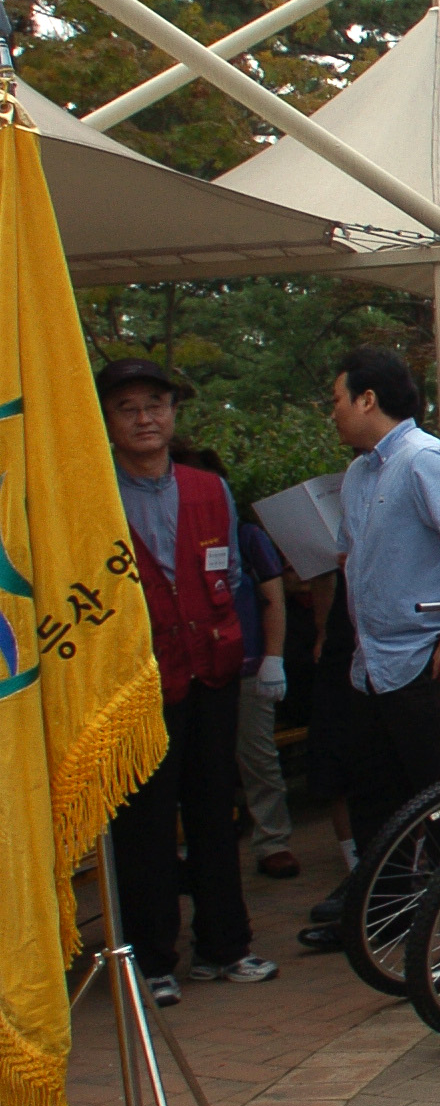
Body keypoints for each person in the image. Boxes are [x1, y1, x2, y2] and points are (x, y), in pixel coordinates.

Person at [99, 359, 277, 1006]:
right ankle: (152, 961)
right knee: (143, 824)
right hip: (137, 683)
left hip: (211, 672)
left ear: (174, 413)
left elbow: (226, 576)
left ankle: (226, 946)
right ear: (109, 420)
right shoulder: (95, 492)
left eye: (156, 404)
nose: (145, 418)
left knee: (214, 811)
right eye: (128, 407)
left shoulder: (209, 487)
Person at [328, 347, 440, 863]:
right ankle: (386, 917)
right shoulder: (360, 473)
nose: (331, 410)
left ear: (367, 400)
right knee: (378, 804)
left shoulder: (422, 457)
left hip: (430, 663)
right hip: (375, 665)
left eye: (336, 398)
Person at [171, 441, 299, 880]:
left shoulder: (244, 535)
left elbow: (272, 598)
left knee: (257, 757)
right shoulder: (157, 535)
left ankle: (273, 840)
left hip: (244, 664)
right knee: (193, 767)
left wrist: (273, 659)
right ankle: (193, 850)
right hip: (183, 671)